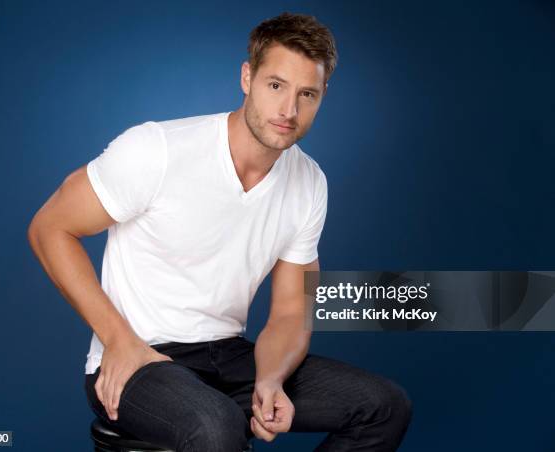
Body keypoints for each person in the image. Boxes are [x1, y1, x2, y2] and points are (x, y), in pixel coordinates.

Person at [27, 12, 412, 451]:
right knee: (217, 428)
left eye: (307, 94)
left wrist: (270, 379)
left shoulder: (309, 182)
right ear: (247, 77)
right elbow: (49, 228)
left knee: (383, 406)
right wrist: (119, 342)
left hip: (228, 358)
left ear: (323, 95)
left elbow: (290, 311)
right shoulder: (159, 150)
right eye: (275, 86)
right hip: (141, 358)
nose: (289, 110)